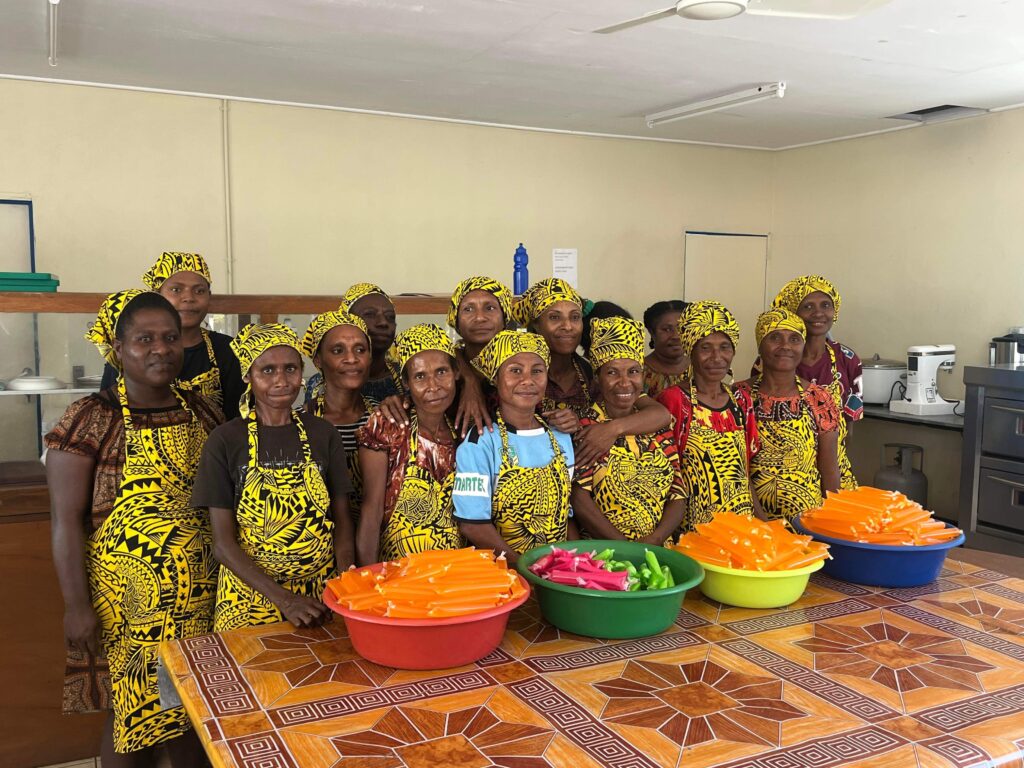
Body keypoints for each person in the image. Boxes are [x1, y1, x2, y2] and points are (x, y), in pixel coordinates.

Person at [47, 290, 222, 765]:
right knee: (133, 718)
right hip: (129, 608)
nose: (160, 349)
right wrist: (76, 606)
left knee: (192, 710)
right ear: (119, 348)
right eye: (145, 339)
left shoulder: (202, 410)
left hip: (201, 599)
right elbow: (65, 522)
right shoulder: (89, 418)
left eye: (169, 338)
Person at [192, 323, 355, 631]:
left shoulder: (322, 433)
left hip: (321, 594)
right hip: (250, 598)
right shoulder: (225, 441)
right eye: (267, 370)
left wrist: (344, 584)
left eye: (290, 368)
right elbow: (223, 544)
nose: (281, 380)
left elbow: (343, 521)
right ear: (248, 378)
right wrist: (285, 600)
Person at [512, 278, 670, 467]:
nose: (568, 326)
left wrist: (611, 429)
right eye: (555, 317)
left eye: (575, 317)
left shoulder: (592, 372)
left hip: (590, 473)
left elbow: (660, 414)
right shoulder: (521, 374)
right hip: (533, 468)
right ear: (536, 325)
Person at [453, 330, 577, 562]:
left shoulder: (560, 436)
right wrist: (525, 568)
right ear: (495, 379)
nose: (527, 380)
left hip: (557, 573)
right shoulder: (479, 443)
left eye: (537, 371)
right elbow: (472, 525)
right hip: (506, 576)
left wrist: (571, 562)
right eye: (515, 371)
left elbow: (566, 515)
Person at [571, 317, 685, 544]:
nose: (624, 382)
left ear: (643, 377)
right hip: (604, 555)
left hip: (660, 552)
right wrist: (624, 546)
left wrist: (657, 538)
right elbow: (578, 498)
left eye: (633, 372)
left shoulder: (657, 426)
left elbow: (678, 492)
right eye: (612, 373)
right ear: (597, 378)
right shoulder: (583, 427)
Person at [356, 323, 462, 563]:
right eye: (420, 376)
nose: (433, 386)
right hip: (397, 579)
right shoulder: (388, 427)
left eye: (441, 372)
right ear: (406, 382)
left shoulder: (463, 430)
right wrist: (369, 581)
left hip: (455, 577)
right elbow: (371, 512)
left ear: (456, 372)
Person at [656, 301, 764, 530]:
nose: (717, 357)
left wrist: (762, 521)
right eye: (705, 348)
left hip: (741, 525)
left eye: (725, 347)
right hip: (694, 529)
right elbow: (668, 475)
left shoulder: (741, 400)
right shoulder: (675, 400)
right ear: (690, 350)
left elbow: (745, 471)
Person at [99, 251, 244, 419]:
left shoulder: (229, 351)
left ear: (209, 297)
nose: (188, 298)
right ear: (157, 295)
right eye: (176, 289)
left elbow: (238, 420)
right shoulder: (128, 353)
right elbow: (106, 414)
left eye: (199, 291)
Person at [737, 309, 841, 520]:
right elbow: (737, 468)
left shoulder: (819, 398)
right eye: (775, 337)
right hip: (748, 521)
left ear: (802, 347)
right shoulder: (738, 397)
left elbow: (829, 468)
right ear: (760, 344)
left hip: (808, 521)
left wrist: (832, 521)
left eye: (794, 339)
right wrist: (762, 523)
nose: (785, 346)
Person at [772, 274, 863, 489]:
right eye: (808, 307)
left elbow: (849, 429)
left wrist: (831, 468)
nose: (819, 313)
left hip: (836, 470)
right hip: (786, 473)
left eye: (825, 305)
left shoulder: (848, 359)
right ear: (794, 312)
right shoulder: (773, 359)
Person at [301, 310, 377, 525]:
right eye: (338, 350)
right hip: (319, 546)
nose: (351, 359)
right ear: (318, 360)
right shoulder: (299, 422)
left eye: (360, 350)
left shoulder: (385, 418)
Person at [445, 276, 514, 435]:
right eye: (468, 309)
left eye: (490, 308)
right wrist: (469, 379)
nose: (480, 317)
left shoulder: (521, 365)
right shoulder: (443, 370)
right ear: (456, 321)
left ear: (504, 319)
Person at [642, 299, 689, 399]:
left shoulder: (701, 369)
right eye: (667, 329)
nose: (676, 336)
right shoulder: (637, 372)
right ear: (652, 332)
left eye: (682, 328)